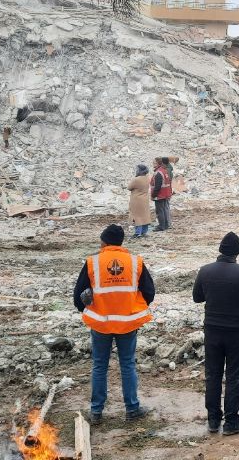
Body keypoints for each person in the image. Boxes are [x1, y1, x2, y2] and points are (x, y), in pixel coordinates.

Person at [73, 224, 155, 424]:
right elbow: (150, 292)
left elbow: (78, 296)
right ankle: (132, 409)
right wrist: (132, 305)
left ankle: (96, 412)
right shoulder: (135, 262)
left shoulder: (93, 262)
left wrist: (86, 306)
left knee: (99, 365)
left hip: (101, 323)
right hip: (127, 323)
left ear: (104, 241)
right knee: (127, 365)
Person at [192, 232, 239, 436]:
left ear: (220, 249)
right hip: (237, 332)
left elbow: (197, 298)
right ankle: (231, 422)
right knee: (234, 376)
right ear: (237, 252)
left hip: (212, 331)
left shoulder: (205, 271)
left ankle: (213, 420)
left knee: (212, 375)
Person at [128, 165, 152, 238]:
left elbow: (129, 187)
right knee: (145, 216)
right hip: (145, 199)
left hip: (137, 200)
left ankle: (137, 232)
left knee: (137, 216)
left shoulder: (136, 179)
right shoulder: (148, 178)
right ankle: (144, 232)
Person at [151, 157, 173, 231]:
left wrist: (153, 195)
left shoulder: (158, 173)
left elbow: (157, 186)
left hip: (160, 195)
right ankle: (166, 225)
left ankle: (161, 226)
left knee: (160, 211)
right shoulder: (164, 171)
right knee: (163, 210)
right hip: (165, 194)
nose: (152, 164)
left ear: (157, 163)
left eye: (154, 162)